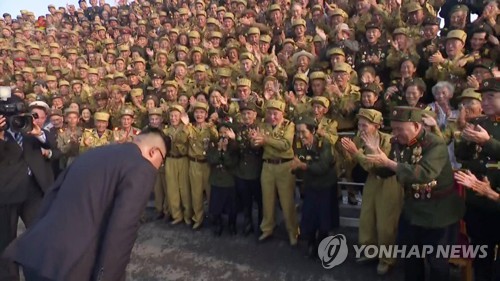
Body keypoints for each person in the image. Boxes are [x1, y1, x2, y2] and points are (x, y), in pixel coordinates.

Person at [3, 128, 169, 281]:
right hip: (71, 267)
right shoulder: (142, 167)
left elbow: (52, 196)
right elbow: (123, 227)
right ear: (153, 152)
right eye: (161, 162)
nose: (158, 167)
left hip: (38, 254)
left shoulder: (95, 153)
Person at [365, 106, 465, 281]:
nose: (395, 133)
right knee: (410, 258)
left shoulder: (435, 144)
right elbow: (388, 169)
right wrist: (373, 157)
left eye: (400, 129)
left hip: (438, 214)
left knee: (436, 262)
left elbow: (424, 173)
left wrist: (387, 162)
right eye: (393, 128)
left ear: (416, 126)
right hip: (412, 211)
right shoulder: (399, 143)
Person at [0, 96, 58, 281]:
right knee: (5, 241)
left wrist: (37, 133)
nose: (13, 119)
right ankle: (9, 277)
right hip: (7, 193)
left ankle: (40, 274)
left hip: (34, 191)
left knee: (40, 236)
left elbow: (52, 145)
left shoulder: (27, 127)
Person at [341, 109, 403, 275]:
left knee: (386, 223)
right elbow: (353, 161)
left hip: (388, 182)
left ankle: (387, 259)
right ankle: (370, 251)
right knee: (367, 217)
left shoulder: (388, 140)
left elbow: (377, 165)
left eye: (365, 125)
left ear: (376, 125)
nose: (361, 128)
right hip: (371, 181)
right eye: (359, 124)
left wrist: (356, 153)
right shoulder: (359, 138)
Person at [453, 77, 500, 281]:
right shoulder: (478, 122)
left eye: (491, 97)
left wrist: (488, 142)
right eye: (483, 97)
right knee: (481, 255)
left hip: (496, 199)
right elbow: (462, 156)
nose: (485, 102)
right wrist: (464, 138)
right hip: (477, 201)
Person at [251, 99, 299, 246]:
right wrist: (254, 141)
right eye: (270, 113)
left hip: (284, 166)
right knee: (267, 199)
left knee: (287, 201)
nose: (272, 116)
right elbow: (256, 146)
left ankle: (293, 231)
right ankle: (267, 228)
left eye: (275, 113)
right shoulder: (262, 125)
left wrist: (266, 140)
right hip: (267, 166)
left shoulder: (288, 125)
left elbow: (285, 145)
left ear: (282, 113)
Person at [291, 115, 337, 258]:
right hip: (310, 186)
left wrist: (302, 165)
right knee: (309, 217)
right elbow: (296, 167)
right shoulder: (298, 145)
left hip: (325, 187)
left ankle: (322, 244)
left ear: (313, 131)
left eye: (303, 132)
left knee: (324, 219)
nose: (300, 135)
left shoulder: (324, 144)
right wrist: (295, 167)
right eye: (297, 132)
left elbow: (322, 167)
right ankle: (311, 243)